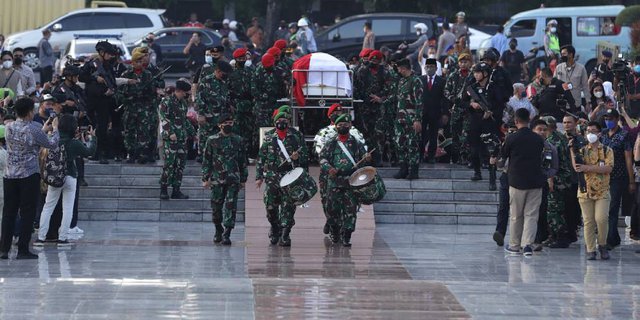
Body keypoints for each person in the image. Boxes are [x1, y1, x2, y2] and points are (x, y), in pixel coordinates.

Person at [1, 98, 59, 260]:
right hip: (29, 174)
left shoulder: (9, 127)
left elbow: (23, 139)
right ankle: (23, 249)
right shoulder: (34, 129)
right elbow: (52, 144)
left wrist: (42, 129)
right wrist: (54, 129)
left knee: (9, 211)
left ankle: (4, 249)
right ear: (28, 112)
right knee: (27, 211)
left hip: (10, 174)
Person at [35, 115, 96, 247]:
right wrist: (93, 137)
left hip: (55, 175)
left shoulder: (53, 139)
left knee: (48, 206)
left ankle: (41, 237)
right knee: (68, 208)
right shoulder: (74, 143)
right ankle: (62, 238)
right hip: (70, 176)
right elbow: (89, 151)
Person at [255, 108, 308, 247]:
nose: (282, 123)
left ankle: (285, 234)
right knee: (270, 206)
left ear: (289, 122)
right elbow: (261, 158)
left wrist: (298, 159)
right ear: (275, 122)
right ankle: (275, 227)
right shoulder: (269, 137)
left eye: (284, 121)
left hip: (290, 176)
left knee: (288, 207)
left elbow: (305, 156)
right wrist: (259, 177)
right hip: (272, 177)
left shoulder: (295, 137)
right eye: (279, 121)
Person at [314, 104, 366, 235]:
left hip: (350, 176)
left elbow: (362, 150)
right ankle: (331, 223)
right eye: (335, 112)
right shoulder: (324, 132)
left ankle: (345, 230)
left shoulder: (354, 133)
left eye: (340, 111)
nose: (338, 114)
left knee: (350, 204)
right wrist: (330, 167)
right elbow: (320, 152)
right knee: (329, 202)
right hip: (330, 175)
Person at [320, 114, 371, 246]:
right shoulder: (331, 143)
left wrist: (366, 158)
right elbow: (323, 158)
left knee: (351, 210)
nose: (343, 126)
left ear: (350, 126)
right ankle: (335, 230)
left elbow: (364, 159)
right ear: (336, 126)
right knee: (332, 209)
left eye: (345, 124)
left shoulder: (356, 143)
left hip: (351, 181)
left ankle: (347, 235)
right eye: (340, 124)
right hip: (334, 181)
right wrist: (329, 168)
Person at [502, 108, 546, 256]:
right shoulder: (538, 139)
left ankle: (515, 244)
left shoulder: (511, 138)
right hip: (535, 180)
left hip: (516, 181)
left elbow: (503, 156)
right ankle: (527, 245)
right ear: (529, 120)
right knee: (532, 215)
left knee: (516, 214)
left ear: (516, 121)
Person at [570, 121, 613, 260]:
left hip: (602, 190)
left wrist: (587, 168)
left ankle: (602, 244)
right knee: (588, 220)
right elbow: (577, 167)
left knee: (601, 218)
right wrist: (572, 150)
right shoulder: (582, 150)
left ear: (599, 133)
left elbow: (608, 168)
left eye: (593, 131)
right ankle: (590, 249)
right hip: (585, 189)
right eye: (588, 131)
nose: (590, 134)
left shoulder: (607, 150)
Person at [202, 114, 247, 246]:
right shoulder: (212, 140)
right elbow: (207, 160)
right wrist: (205, 177)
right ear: (219, 125)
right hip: (217, 179)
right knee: (216, 207)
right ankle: (218, 229)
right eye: (226, 123)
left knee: (230, 206)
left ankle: (227, 233)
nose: (228, 125)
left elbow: (242, 161)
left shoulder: (238, 140)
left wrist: (243, 178)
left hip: (233, 179)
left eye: (231, 122)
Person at [599, 109, 634, 249]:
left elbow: (628, 158)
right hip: (603, 176)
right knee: (605, 208)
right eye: (606, 118)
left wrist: (631, 180)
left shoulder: (624, 135)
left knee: (612, 208)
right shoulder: (602, 134)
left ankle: (610, 239)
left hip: (618, 177)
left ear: (616, 118)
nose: (608, 120)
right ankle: (613, 236)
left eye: (611, 118)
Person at [467, 62, 505, 188]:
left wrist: (491, 112)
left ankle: (492, 179)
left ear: (485, 74)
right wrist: (471, 104)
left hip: (489, 123)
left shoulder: (494, 87)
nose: (476, 75)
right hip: (475, 122)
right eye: (475, 72)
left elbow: (500, 104)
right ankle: (477, 172)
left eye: (478, 72)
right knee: (473, 150)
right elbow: (461, 101)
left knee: (491, 151)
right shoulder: (471, 87)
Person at [79, 41, 117, 164]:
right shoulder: (92, 64)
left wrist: (111, 90)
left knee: (103, 127)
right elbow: (81, 76)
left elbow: (113, 81)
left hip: (104, 101)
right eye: (109, 54)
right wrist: (95, 78)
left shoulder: (109, 66)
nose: (111, 56)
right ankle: (95, 152)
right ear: (101, 53)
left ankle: (102, 153)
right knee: (94, 127)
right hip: (92, 100)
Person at [159, 79, 195, 200]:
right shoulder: (167, 101)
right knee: (169, 164)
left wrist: (193, 133)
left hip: (181, 138)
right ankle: (163, 189)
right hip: (171, 139)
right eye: (185, 93)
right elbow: (164, 118)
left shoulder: (183, 103)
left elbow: (184, 120)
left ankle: (176, 190)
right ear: (179, 91)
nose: (187, 95)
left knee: (180, 165)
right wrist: (170, 132)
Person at [541, 116, 573, 248]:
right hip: (563, 178)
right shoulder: (560, 136)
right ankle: (553, 235)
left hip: (556, 178)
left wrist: (550, 179)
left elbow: (550, 163)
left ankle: (560, 236)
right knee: (557, 207)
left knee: (553, 209)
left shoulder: (551, 141)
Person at [354, 50, 390, 166]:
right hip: (365, 107)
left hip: (379, 107)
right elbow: (357, 86)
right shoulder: (362, 71)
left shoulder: (385, 72)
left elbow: (389, 88)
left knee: (379, 133)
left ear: (380, 61)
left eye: (376, 60)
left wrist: (380, 97)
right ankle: (366, 158)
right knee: (366, 133)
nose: (373, 62)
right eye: (371, 59)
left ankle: (378, 158)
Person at [119, 50, 155, 164]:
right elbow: (119, 92)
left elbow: (152, 92)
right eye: (137, 61)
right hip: (130, 108)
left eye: (141, 61)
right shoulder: (126, 75)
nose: (140, 63)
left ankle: (142, 154)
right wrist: (127, 98)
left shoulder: (147, 74)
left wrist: (144, 94)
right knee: (129, 131)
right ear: (132, 63)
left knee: (143, 131)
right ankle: (131, 153)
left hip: (143, 108)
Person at [196, 61, 232, 162]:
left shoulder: (225, 81)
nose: (225, 76)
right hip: (208, 116)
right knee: (206, 137)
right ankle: (204, 157)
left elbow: (226, 97)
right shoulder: (206, 81)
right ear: (218, 71)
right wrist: (201, 114)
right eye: (224, 74)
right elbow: (200, 98)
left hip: (221, 116)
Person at [393, 58, 423, 180]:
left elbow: (419, 102)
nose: (398, 71)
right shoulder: (401, 81)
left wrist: (417, 119)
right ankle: (403, 169)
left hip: (411, 119)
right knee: (400, 144)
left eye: (399, 68)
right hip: (400, 119)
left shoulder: (416, 81)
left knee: (412, 145)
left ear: (404, 68)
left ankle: (414, 170)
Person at [531, 119, 558, 251]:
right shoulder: (527, 146)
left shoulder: (550, 147)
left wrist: (547, 175)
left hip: (542, 183)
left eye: (544, 129)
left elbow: (554, 167)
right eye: (539, 129)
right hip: (527, 183)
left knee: (541, 211)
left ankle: (538, 239)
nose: (542, 132)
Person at [444, 52, 473, 165]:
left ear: (470, 63)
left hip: (468, 109)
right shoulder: (453, 75)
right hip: (456, 109)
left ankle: (464, 157)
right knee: (455, 134)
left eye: (466, 62)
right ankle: (455, 158)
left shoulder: (472, 76)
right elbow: (446, 90)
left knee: (466, 134)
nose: (463, 64)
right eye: (461, 62)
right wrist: (453, 99)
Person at [492, 123, 518, 246]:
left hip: (519, 177)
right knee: (503, 206)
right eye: (509, 131)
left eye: (514, 131)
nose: (511, 134)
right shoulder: (502, 145)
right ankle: (500, 232)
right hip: (506, 176)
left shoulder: (521, 145)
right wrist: (495, 161)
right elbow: (500, 163)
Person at [563, 114, 586, 243]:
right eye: (565, 122)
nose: (567, 125)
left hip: (576, 177)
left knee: (574, 207)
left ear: (575, 123)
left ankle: (573, 230)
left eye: (569, 122)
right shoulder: (560, 138)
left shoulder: (581, 140)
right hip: (563, 178)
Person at [228, 48, 255, 160]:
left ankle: (247, 153)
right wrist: (230, 104)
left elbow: (254, 87)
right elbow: (227, 90)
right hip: (236, 104)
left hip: (248, 104)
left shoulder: (250, 71)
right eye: (240, 59)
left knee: (248, 130)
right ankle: (237, 154)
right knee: (236, 130)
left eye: (243, 58)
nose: (242, 60)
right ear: (235, 59)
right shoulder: (231, 73)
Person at [420, 58, 446, 163]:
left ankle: (431, 156)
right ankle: (420, 155)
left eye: (432, 67)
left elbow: (445, 99)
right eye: (427, 67)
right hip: (422, 112)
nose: (429, 69)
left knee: (433, 135)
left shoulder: (442, 81)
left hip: (435, 112)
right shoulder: (419, 79)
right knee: (421, 135)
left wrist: (445, 113)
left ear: (436, 68)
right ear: (425, 68)